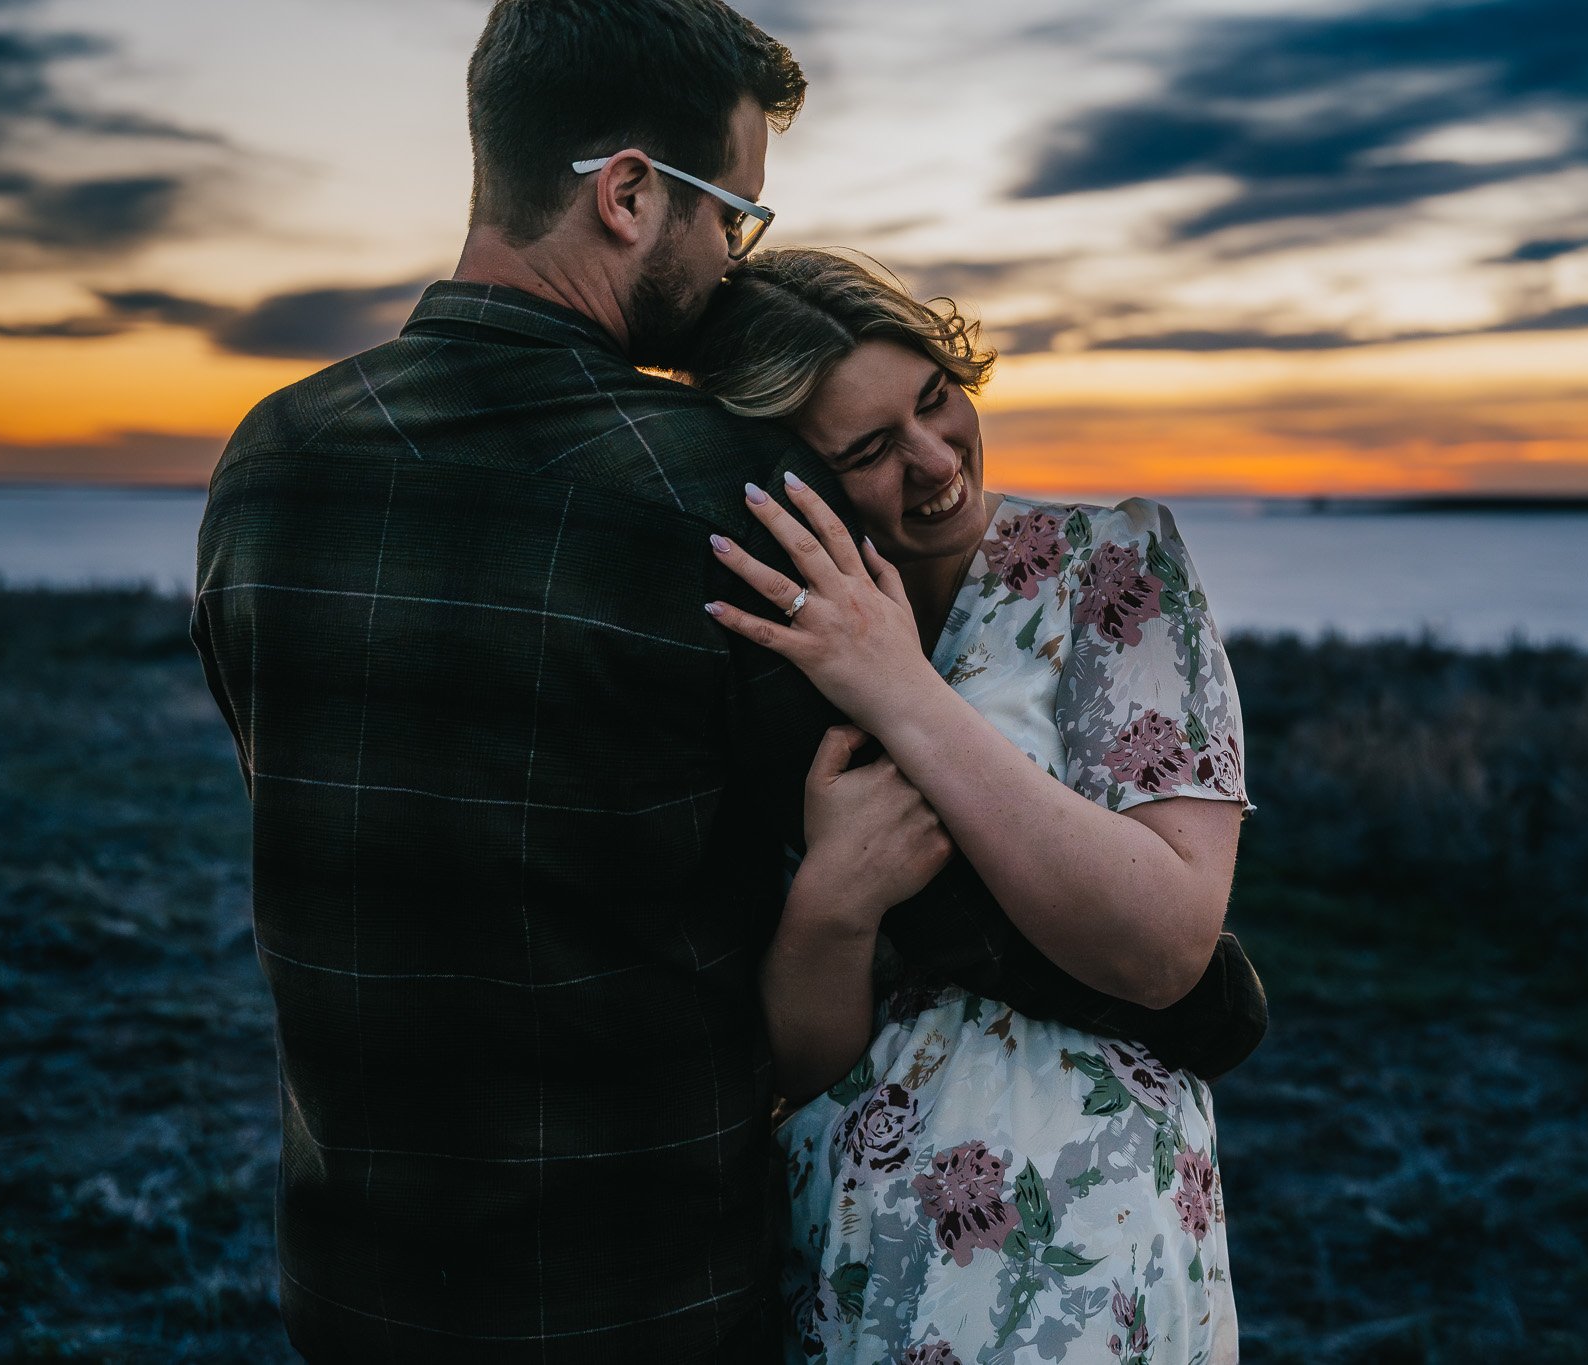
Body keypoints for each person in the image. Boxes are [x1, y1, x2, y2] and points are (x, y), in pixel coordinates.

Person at [189, 3, 1259, 1361]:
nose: (731, 256)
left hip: (357, 1280)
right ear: (631, 193)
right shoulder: (712, 498)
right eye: (731, 217)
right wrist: (1216, 1001)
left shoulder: (267, 463)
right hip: (645, 1286)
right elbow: (927, 893)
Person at [686, 249, 1254, 1364]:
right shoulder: (767, 648)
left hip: (1087, 1254)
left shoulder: (1112, 567)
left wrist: (898, 689)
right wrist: (835, 906)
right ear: (787, 474)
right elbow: (796, 1065)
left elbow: (1165, 945)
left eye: (935, 400)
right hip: (853, 1251)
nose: (936, 459)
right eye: (867, 451)